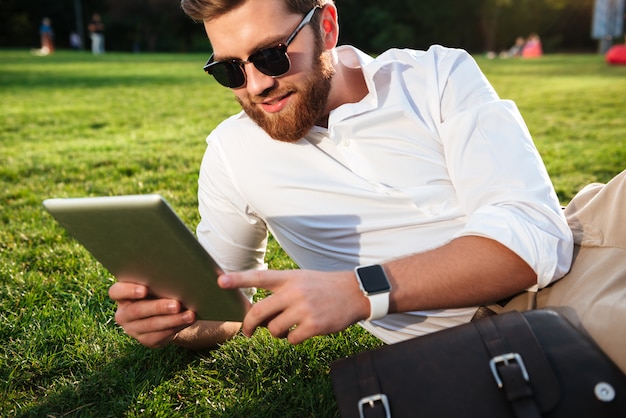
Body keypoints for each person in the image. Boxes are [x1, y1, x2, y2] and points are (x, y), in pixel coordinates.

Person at [109, 0, 573, 350]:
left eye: (271, 56)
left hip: (574, 277)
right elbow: (224, 306)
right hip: (498, 338)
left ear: (326, 26)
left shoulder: (435, 76)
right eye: (229, 70)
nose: (256, 86)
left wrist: (359, 289)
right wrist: (172, 320)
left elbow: (533, 239)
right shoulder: (232, 153)